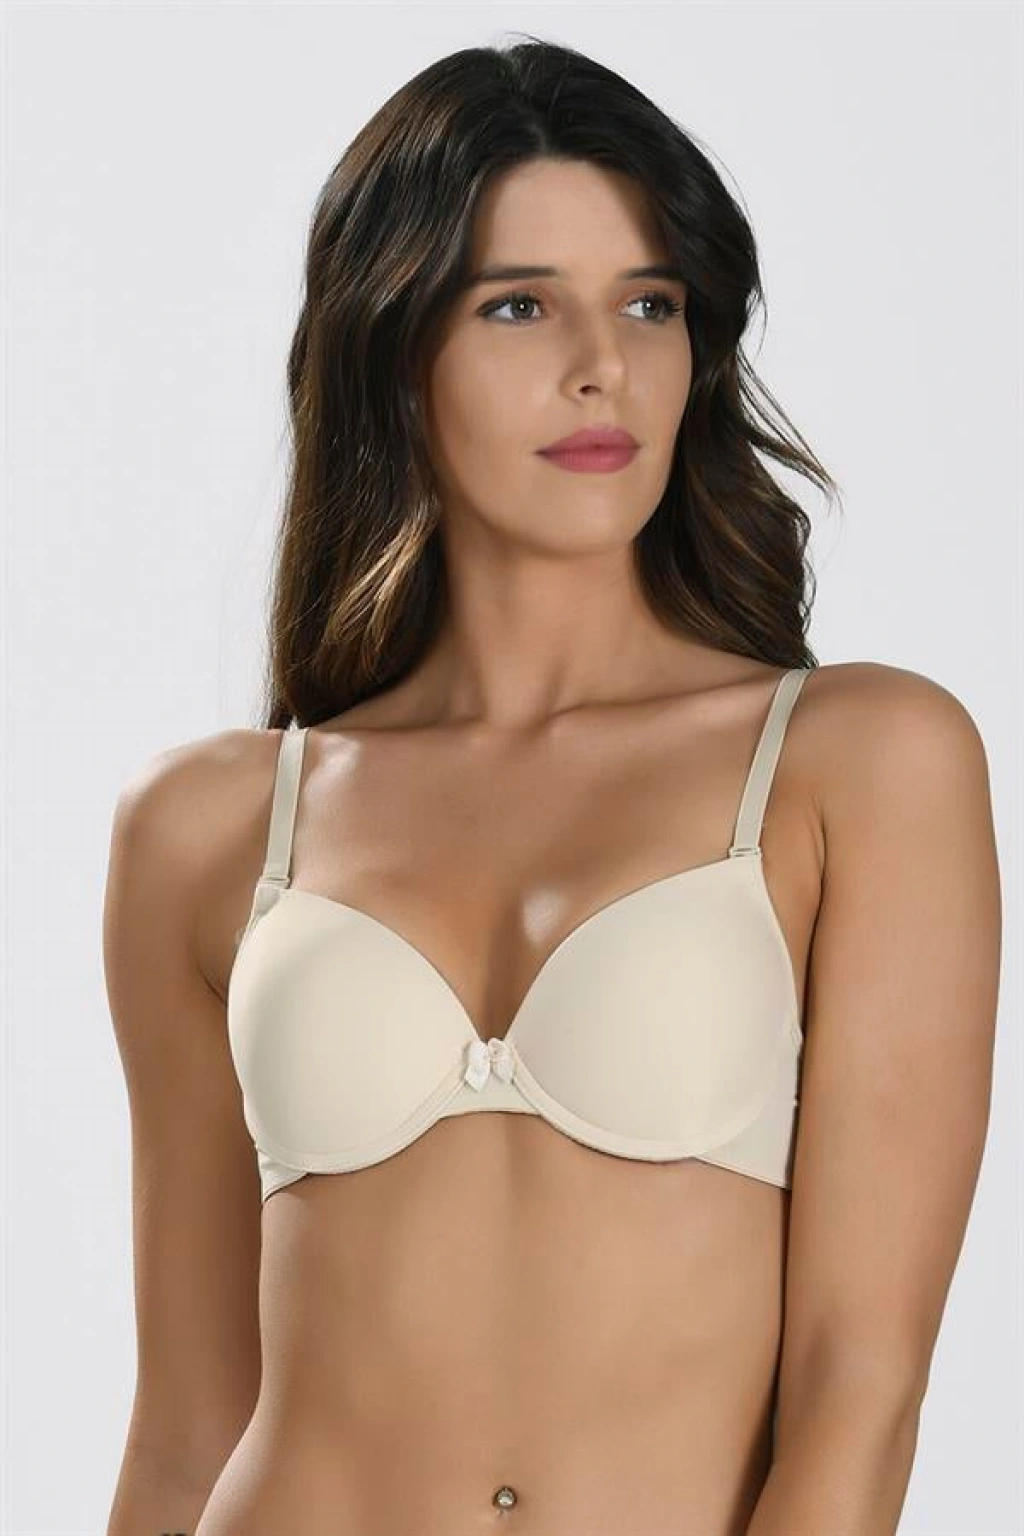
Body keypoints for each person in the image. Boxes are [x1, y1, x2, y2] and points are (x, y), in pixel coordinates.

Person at [103, 36, 1001, 1536]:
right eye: (518, 305)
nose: (604, 365)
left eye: (651, 303)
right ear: (394, 348)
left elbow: (863, 1390)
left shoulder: (856, 763)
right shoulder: (208, 828)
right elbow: (188, 1429)